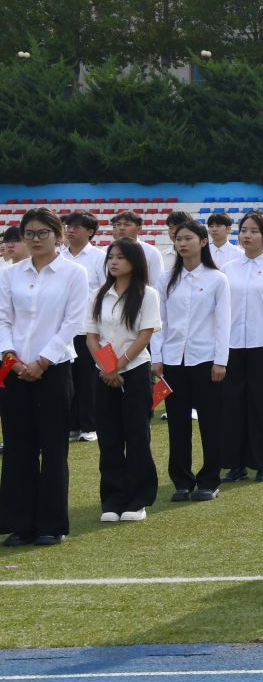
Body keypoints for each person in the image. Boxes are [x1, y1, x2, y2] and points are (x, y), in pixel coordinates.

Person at [0, 209, 91, 545]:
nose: (35, 239)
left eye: (42, 233)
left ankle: (51, 524)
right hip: (14, 369)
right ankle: (20, 522)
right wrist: (12, 358)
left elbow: (72, 323)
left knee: (53, 448)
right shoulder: (10, 274)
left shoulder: (74, 273)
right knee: (17, 447)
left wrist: (42, 361)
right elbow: (2, 319)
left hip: (54, 369)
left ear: (58, 235)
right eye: (29, 234)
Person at [153, 218, 231, 502]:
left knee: (211, 422)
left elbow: (223, 323)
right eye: (178, 239)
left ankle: (209, 480)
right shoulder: (165, 279)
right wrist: (157, 357)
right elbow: (159, 322)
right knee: (177, 424)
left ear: (203, 241)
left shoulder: (217, 279)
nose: (182, 244)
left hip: (206, 359)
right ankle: (182, 481)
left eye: (188, 238)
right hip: (173, 360)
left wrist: (221, 360)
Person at [86, 238, 161, 524]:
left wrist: (118, 366)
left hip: (136, 370)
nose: (114, 262)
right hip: (104, 372)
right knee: (109, 437)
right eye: (111, 257)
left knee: (137, 435)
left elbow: (144, 335)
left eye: (120, 257)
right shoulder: (97, 295)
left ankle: (138, 499)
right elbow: (91, 336)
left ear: (134, 261)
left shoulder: (147, 294)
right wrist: (108, 369)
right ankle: (112, 499)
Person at [219, 211, 263, 485]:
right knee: (232, 405)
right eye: (244, 230)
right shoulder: (228, 269)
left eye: (254, 231)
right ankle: (235, 464)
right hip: (232, 345)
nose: (247, 235)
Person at [59, 211, 106, 445]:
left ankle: (90, 425)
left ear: (90, 231)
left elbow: (106, 292)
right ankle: (72, 425)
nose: (70, 230)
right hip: (63, 328)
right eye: (68, 226)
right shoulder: (58, 256)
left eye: (76, 226)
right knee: (67, 379)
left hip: (88, 328)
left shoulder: (100, 257)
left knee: (88, 379)